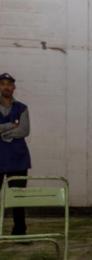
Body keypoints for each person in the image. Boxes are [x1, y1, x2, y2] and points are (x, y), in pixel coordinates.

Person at [0, 72, 31, 235]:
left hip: (18, 159)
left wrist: (3, 132)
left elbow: (24, 130)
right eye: (3, 83)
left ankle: (20, 232)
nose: (6, 87)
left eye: (9, 84)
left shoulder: (22, 107)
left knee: (18, 198)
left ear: (14, 87)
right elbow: (17, 128)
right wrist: (11, 126)